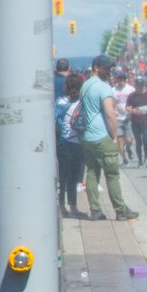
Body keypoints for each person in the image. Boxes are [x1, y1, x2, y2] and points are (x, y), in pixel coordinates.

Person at [79, 55, 139, 221]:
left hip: (86, 135)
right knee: (112, 173)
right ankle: (120, 210)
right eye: (106, 68)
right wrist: (114, 136)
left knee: (92, 172)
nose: (109, 71)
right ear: (96, 67)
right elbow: (110, 114)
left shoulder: (85, 85)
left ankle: (95, 210)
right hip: (101, 135)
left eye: (111, 68)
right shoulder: (103, 87)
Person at [55, 73, 86, 218]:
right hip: (77, 141)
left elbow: (55, 121)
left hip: (62, 142)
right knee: (73, 177)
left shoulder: (60, 101)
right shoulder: (81, 102)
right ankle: (73, 207)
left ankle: (61, 206)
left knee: (62, 175)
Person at [127, 78, 147, 168]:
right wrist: (132, 110)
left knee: (146, 140)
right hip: (135, 121)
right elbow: (127, 107)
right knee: (138, 142)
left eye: (141, 86)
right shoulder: (132, 96)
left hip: (146, 120)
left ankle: (146, 158)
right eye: (138, 86)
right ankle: (140, 160)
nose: (140, 88)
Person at [113, 72, 135, 166]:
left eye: (122, 79)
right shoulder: (113, 90)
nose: (120, 81)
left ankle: (129, 148)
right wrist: (114, 110)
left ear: (125, 80)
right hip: (118, 118)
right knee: (119, 141)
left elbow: (135, 102)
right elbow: (111, 102)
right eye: (119, 79)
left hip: (128, 117)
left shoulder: (131, 89)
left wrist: (131, 109)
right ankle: (124, 159)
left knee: (129, 139)